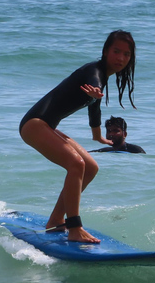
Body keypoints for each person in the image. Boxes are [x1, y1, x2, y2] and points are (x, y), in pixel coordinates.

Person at [19, 30, 137, 243]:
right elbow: (95, 85)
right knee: (76, 164)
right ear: (105, 51)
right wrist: (96, 90)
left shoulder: (102, 76)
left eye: (126, 54)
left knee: (91, 167)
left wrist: (98, 137)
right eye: (116, 51)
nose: (121, 58)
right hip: (34, 125)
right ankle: (74, 227)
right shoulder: (94, 72)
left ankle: (56, 219)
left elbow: (95, 107)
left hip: (46, 126)